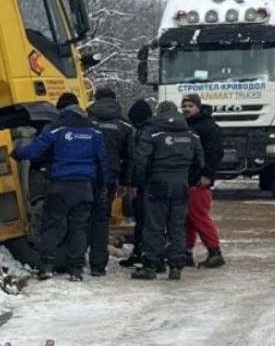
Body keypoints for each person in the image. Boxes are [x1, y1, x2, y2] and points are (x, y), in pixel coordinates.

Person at [13, 92, 107, 282]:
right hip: (84, 187)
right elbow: (102, 161)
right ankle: (76, 270)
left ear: (61, 109)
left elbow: (35, 151)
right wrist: (102, 185)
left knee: (51, 224)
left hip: (59, 185)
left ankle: (46, 266)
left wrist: (17, 153)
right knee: (79, 227)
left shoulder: (54, 128)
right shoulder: (95, 131)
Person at [131, 101, 203, 280]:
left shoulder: (152, 132)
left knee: (154, 225)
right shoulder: (191, 134)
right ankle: (176, 266)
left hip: (157, 183)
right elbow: (200, 162)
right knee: (177, 226)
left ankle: (151, 265)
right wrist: (188, 179)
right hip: (181, 184)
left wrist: (141, 181)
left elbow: (141, 160)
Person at [86, 86, 134, 276]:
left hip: (86, 174)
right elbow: (130, 157)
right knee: (101, 218)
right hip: (109, 177)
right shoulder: (125, 124)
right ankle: (98, 266)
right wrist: (125, 182)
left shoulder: (86, 120)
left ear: (96, 98)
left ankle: (76, 261)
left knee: (81, 216)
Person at [181, 93, 225, 268]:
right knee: (187, 219)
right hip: (188, 179)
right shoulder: (186, 125)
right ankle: (186, 253)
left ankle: (215, 252)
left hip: (199, 181)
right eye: (184, 106)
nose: (186, 109)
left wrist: (208, 175)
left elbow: (215, 153)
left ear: (198, 107)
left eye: (190, 106)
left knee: (199, 217)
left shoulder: (209, 127)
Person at [119, 98, 154, 268]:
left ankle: (143, 255)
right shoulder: (153, 130)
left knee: (143, 220)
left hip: (146, 184)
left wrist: (133, 183)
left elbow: (140, 160)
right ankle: (142, 253)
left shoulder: (144, 133)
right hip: (154, 182)